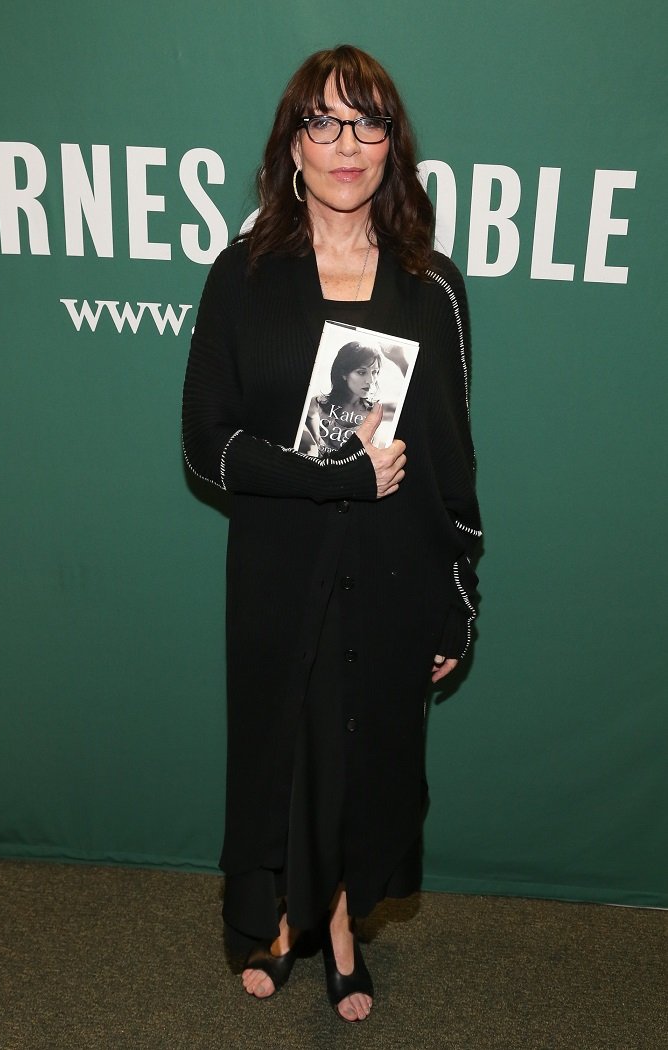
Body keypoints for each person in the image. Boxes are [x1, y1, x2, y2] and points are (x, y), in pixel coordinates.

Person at [182, 44, 482, 1023]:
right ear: (292, 144)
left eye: (368, 122)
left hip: (395, 572)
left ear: (393, 145)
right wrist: (332, 475)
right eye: (324, 121)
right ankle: (278, 917)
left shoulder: (430, 284)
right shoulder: (243, 275)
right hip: (280, 570)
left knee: (364, 760)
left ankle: (341, 929)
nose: (346, 143)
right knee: (285, 752)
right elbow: (207, 449)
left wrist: (457, 595)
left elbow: (448, 454)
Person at [301, 341, 381, 455]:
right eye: (362, 372)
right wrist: (317, 440)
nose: (371, 381)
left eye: (375, 372)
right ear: (343, 373)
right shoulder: (320, 403)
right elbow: (308, 416)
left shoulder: (374, 411)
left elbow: (374, 455)